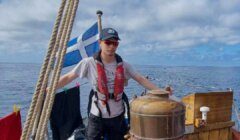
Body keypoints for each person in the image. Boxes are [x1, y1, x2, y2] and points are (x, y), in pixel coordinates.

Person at [53, 28, 172, 140]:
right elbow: (69, 77)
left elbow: (140, 79)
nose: (111, 46)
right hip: (97, 116)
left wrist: (162, 92)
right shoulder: (88, 63)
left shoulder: (124, 65)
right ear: (100, 43)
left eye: (115, 43)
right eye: (108, 42)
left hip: (117, 116)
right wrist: (50, 89)